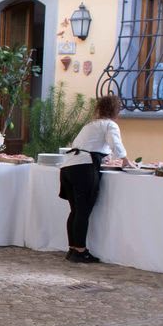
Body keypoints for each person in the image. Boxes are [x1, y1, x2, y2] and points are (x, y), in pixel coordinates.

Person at [58, 94, 134, 264]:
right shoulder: (109, 124)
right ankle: (80, 251)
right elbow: (115, 143)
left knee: (75, 211)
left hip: (68, 167)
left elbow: (91, 147)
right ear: (116, 110)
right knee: (83, 211)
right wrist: (125, 159)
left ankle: (72, 249)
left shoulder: (91, 125)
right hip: (83, 168)